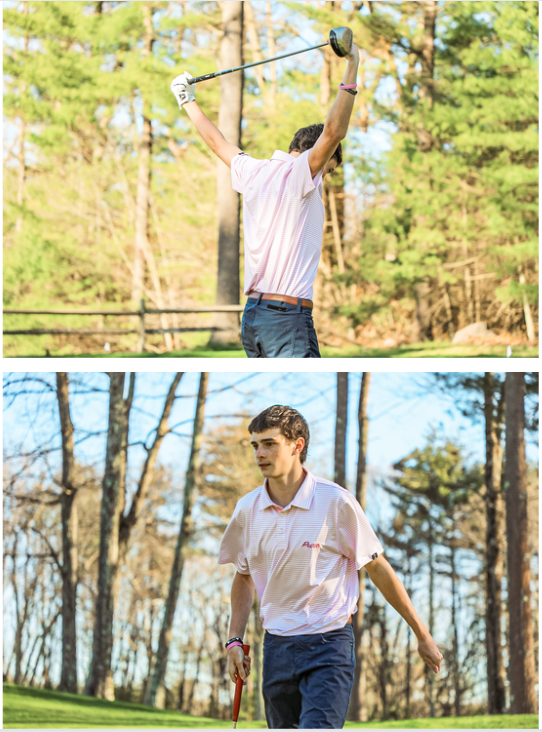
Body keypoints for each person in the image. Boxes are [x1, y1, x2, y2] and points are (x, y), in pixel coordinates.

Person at [218, 405, 443, 729]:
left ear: (298, 446)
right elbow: (244, 576)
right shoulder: (247, 510)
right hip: (277, 647)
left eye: (269, 444)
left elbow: (378, 569)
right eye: (256, 445)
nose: (260, 454)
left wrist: (422, 634)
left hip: (329, 644)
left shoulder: (336, 502)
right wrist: (234, 641)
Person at [170, 44, 361, 358]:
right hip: (286, 319)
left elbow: (217, 142)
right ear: (318, 158)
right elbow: (333, 132)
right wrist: (352, 64)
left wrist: (187, 99)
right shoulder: (303, 173)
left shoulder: (254, 170)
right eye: (329, 169)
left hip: (254, 319)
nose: (325, 177)